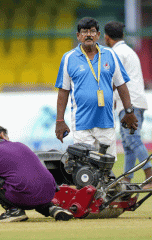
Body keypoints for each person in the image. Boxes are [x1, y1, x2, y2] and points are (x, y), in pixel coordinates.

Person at [55, 17, 138, 159]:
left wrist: (129, 111)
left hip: (106, 121)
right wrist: (59, 121)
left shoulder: (110, 54)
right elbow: (63, 91)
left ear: (98, 35)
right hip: (81, 123)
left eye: (92, 31)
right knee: (85, 167)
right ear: (78, 36)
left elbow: (121, 85)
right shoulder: (68, 58)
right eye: (84, 32)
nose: (89, 35)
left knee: (107, 165)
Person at [0, 123, 73, 222]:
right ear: (2, 135)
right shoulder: (21, 145)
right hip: (49, 192)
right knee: (26, 186)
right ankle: (51, 208)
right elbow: (7, 188)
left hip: (23, 195)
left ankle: (14, 211)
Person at [104, 21, 152, 189]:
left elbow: (114, 79)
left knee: (132, 140)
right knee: (127, 144)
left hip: (129, 104)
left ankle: (150, 176)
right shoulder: (129, 52)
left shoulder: (115, 53)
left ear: (107, 37)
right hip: (135, 101)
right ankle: (127, 179)